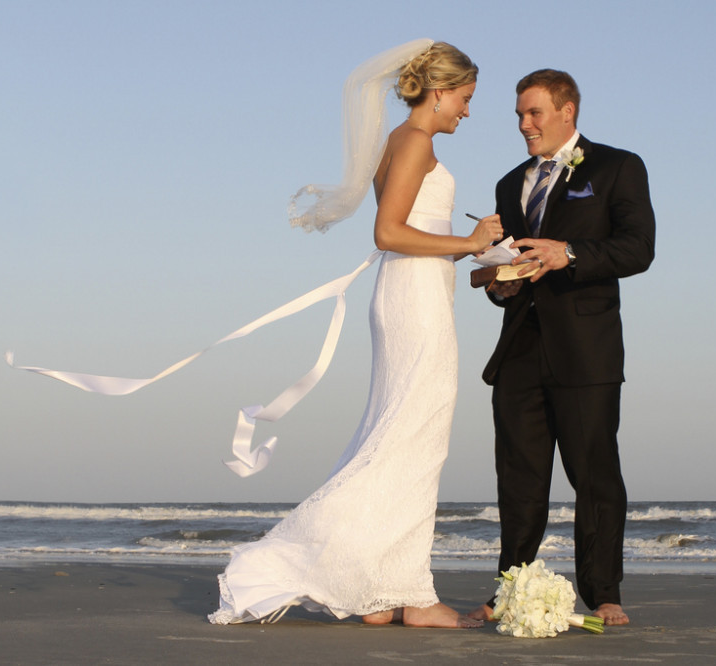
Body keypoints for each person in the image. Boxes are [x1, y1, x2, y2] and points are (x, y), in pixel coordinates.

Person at [208, 40, 502, 629]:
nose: (467, 112)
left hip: (406, 294)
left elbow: (407, 229)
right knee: (416, 442)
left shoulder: (396, 142)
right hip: (413, 301)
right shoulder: (416, 142)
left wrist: (478, 254)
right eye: (465, 99)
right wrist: (472, 245)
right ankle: (412, 597)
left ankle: (378, 590)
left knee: (393, 436)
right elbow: (389, 232)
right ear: (440, 92)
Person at [470, 69, 655, 626]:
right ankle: (512, 588)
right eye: (520, 116)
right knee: (519, 476)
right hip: (520, 350)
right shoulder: (510, 183)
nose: (525, 125)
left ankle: (603, 592)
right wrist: (502, 283)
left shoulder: (618, 166)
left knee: (594, 474)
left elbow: (637, 248)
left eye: (535, 114)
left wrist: (568, 254)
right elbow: (510, 264)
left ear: (567, 111)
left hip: (587, 348)